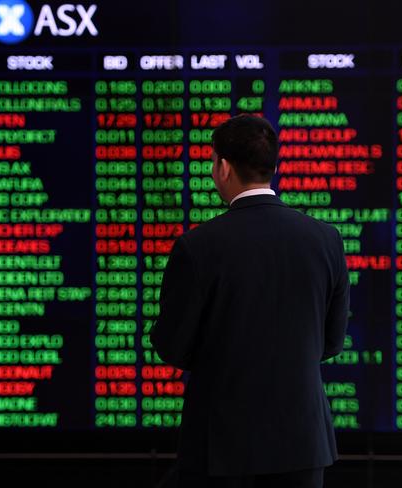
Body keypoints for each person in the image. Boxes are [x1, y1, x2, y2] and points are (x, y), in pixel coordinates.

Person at [149, 114, 350, 487]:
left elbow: (172, 346)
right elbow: (332, 342)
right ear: (272, 166)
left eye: (212, 162)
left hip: (220, 444)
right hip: (301, 442)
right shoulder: (326, 239)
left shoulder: (197, 246)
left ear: (223, 167)